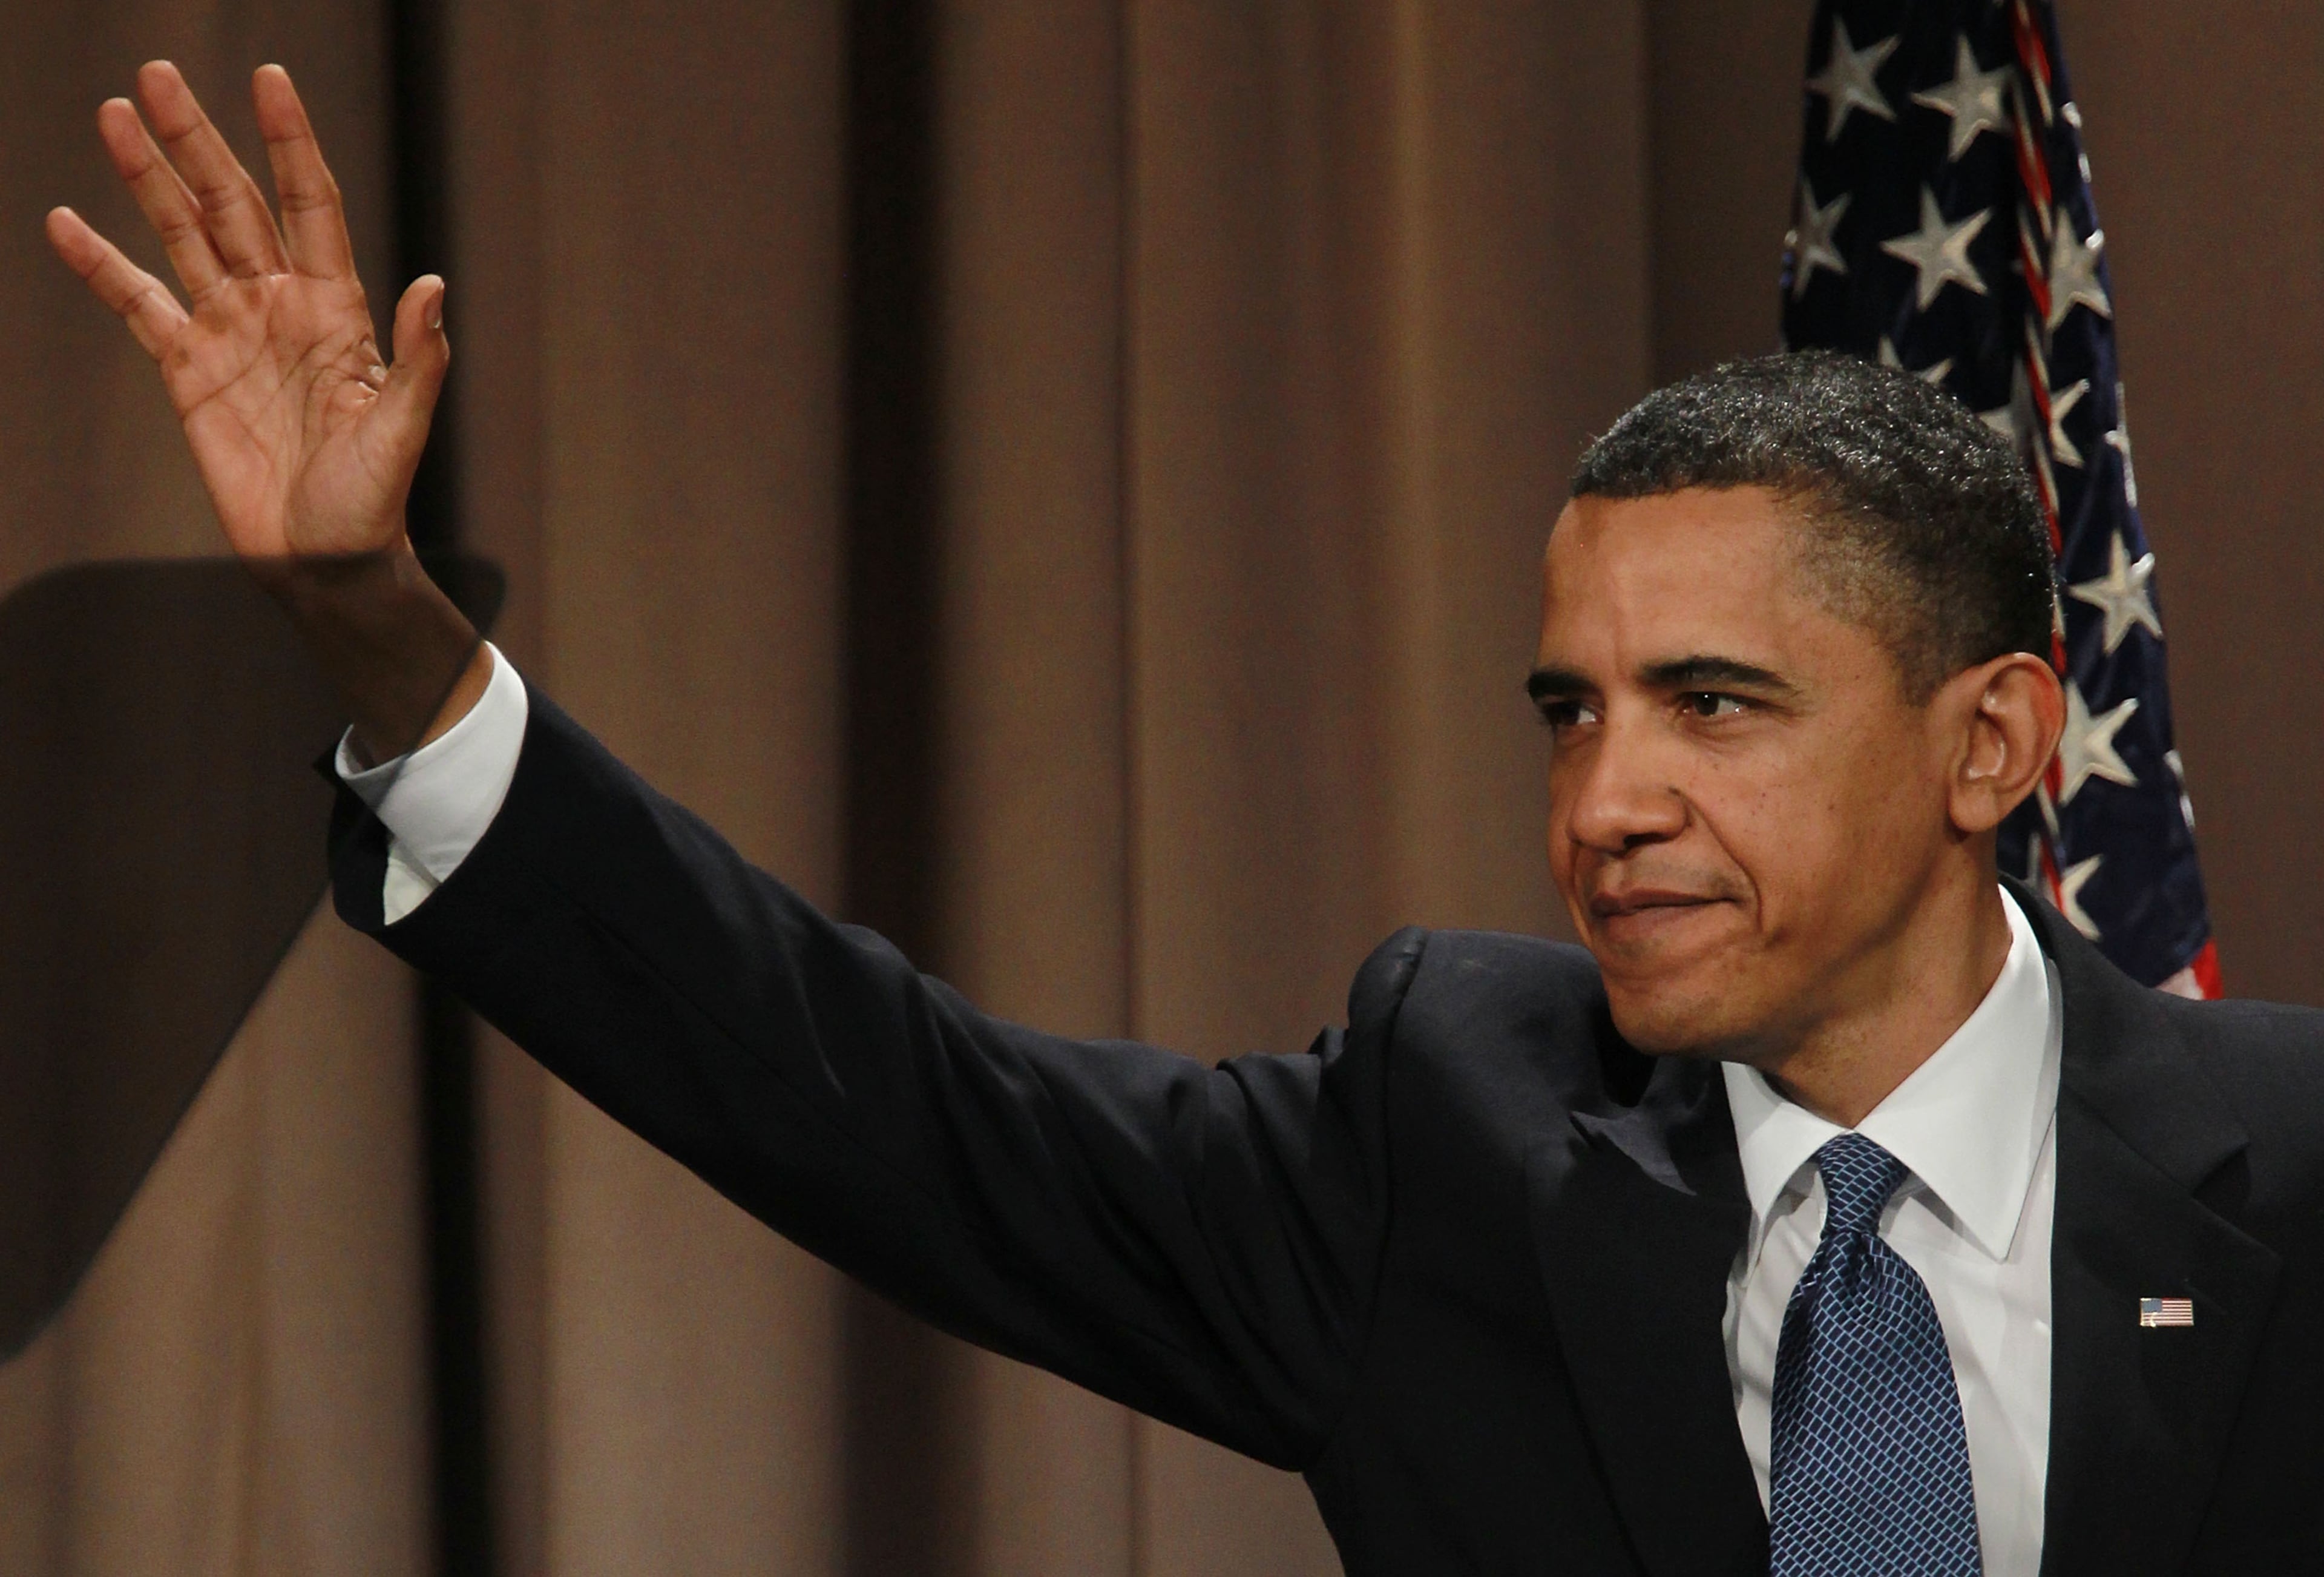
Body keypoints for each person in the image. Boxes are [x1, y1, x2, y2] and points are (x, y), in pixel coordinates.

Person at [48, 61, 2324, 1577]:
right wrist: (382, 638)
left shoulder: (2295, 1173)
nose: (1605, 802)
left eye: (1711, 707)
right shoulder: (1449, 1137)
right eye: (1570, 712)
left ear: (1997, 743)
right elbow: (875, 1100)